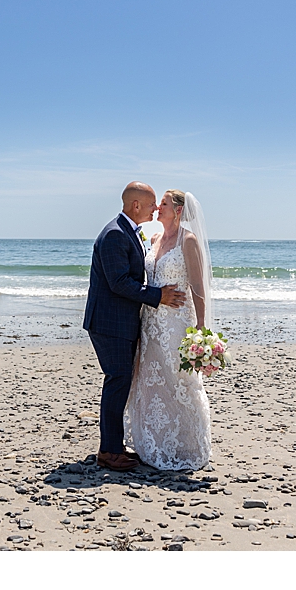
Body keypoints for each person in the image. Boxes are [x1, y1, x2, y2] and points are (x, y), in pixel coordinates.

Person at [83, 182, 186, 471]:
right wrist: (159, 296)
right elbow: (119, 283)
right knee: (117, 381)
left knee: (121, 382)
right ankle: (109, 451)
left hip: (119, 321)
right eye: (152, 203)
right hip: (109, 322)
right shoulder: (115, 234)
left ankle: (114, 446)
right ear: (136, 205)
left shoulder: (129, 231)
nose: (155, 208)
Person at [124, 190, 213, 471]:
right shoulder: (153, 239)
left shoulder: (188, 240)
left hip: (176, 322)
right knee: (150, 380)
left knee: (179, 381)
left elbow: (198, 288)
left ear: (178, 210)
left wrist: (200, 328)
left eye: (163, 203)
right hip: (150, 322)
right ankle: (151, 443)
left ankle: (185, 445)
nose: (157, 207)